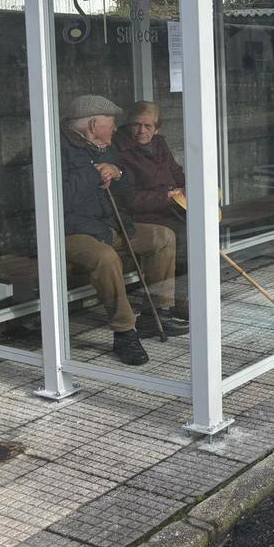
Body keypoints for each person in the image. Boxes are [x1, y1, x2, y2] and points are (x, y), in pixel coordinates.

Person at [61, 95, 181, 367]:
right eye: (112, 123)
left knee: (163, 237)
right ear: (93, 124)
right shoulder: (56, 149)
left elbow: (124, 196)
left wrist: (118, 173)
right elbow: (59, 197)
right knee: (105, 258)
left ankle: (155, 314)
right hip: (69, 230)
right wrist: (94, 174)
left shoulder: (105, 147)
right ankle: (125, 332)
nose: (116, 129)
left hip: (108, 225)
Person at [113, 101, 191, 318]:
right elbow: (128, 198)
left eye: (148, 126)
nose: (142, 131)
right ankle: (170, 303)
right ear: (128, 125)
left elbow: (175, 172)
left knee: (197, 230)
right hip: (142, 215)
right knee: (180, 236)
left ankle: (183, 298)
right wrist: (164, 197)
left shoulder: (159, 144)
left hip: (167, 208)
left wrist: (186, 188)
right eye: (136, 125)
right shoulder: (119, 150)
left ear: (157, 128)